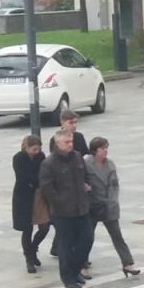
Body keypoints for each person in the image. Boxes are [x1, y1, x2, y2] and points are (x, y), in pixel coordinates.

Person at [39, 128, 93, 288]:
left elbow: (85, 175)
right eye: (66, 142)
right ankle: (68, 277)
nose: (70, 144)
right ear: (57, 143)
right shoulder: (49, 163)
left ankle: (76, 270)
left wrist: (87, 188)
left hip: (81, 208)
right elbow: (47, 189)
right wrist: (60, 202)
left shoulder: (77, 157)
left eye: (71, 141)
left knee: (86, 240)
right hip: (63, 212)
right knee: (66, 245)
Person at [85, 136, 140, 277]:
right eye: (102, 148)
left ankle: (127, 263)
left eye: (106, 148)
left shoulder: (110, 165)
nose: (105, 151)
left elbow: (114, 184)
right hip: (93, 205)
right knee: (87, 237)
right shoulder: (86, 163)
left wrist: (112, 200)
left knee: (117, 235)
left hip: (109, 205)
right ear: (95, 150)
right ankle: (82, 264)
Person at [45, 110, 89, 262]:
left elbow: (84, 156)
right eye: (71, 123)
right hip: (64, 191)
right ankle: (67, 255)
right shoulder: (55, 141)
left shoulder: (79, 138)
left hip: (78, 184)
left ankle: (65, 251)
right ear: (63, 122)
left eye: (75, 122)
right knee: (65, 228)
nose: (74, 126)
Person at [12, 134, 49, 275]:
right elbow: (22, 177)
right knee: (27, 229)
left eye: (38, 149)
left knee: (44, 226)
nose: (36, 152)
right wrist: (36, 179)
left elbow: (44, 172)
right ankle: (29, 257)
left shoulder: (41, 156)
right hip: (25, 197)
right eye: (33, 149)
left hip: (40, 195)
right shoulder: (19, 158)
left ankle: (33, 249)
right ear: (26, 148)